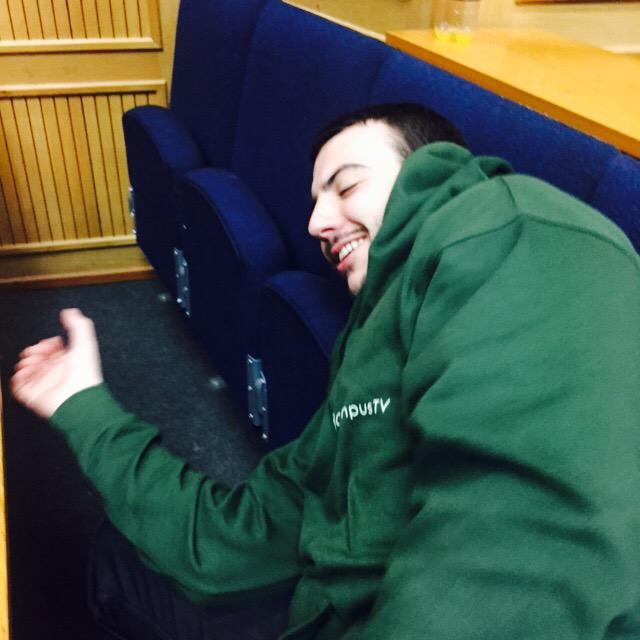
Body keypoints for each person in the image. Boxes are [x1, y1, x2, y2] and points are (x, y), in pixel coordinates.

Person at [11, 103, 640, 640]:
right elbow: (258, 523)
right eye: (315, 200)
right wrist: (83, 404)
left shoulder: (509, 232)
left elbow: (518, 568)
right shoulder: (370, 330)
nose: (316, 222)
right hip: (334, 599)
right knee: (118, 561)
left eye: (346, 186)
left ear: (431, 168)